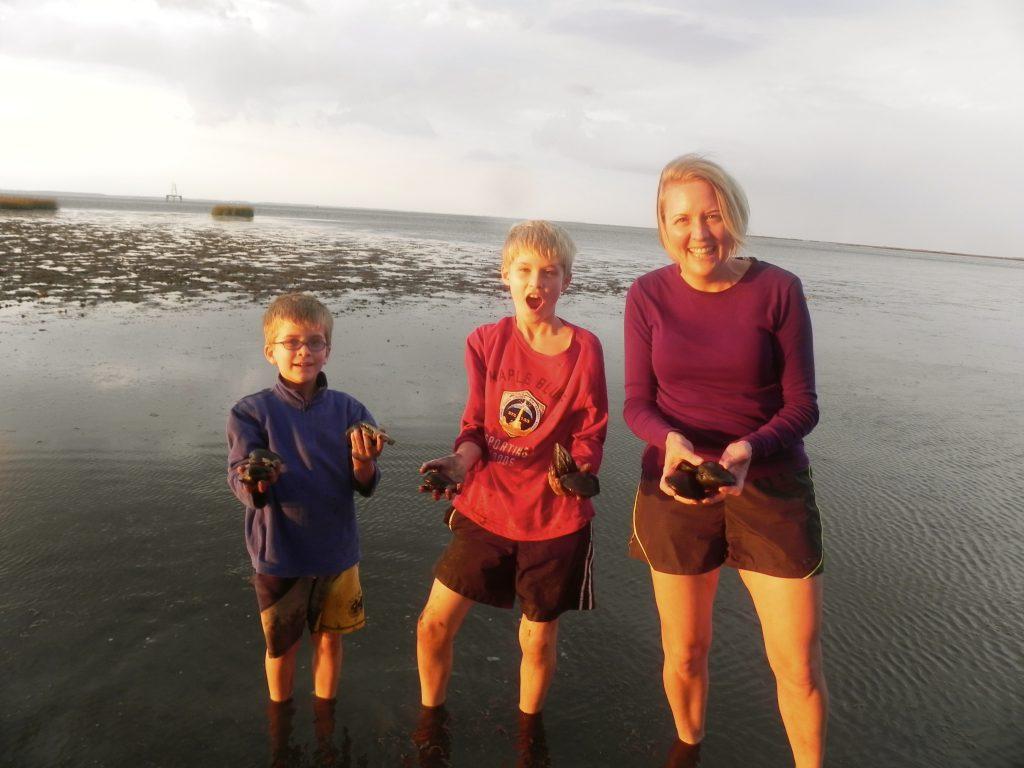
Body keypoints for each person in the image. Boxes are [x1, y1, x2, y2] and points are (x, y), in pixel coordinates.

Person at [624, 155, 827, 767]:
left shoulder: (778, 290)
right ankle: (688, 751)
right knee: (684, 652)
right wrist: (672, 443)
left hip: (769, 490)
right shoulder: (647, 295)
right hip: (675, 487)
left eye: (712, 215)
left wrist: (747, 448)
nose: (699, 232)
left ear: (733, 216)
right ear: (664, 224)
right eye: (682, 218)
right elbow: (638, 403)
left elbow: (803, 405)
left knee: (795, 666)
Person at [415, 220, 609, 728]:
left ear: (566, 281)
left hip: (554, 516)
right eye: (524, 270)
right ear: (506, 275)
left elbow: (591, 431)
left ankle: (528, 735)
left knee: (537, 637)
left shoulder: (585, 348)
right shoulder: (484, 341)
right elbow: (476, 427)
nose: (536, 284)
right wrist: (457, 464)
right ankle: (429, 724)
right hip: (486, 504)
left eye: (550, 273)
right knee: (433, 624)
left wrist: (580, 471)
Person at [227, 292, 388, 704]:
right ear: (270, 351)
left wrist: (364, 460)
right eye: (292, 342)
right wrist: (258, 479)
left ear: (328, 351)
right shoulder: (250, 412)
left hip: (337, 551)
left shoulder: (351, 410)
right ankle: (279, 721)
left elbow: (366, 483)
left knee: (331, 642)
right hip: (279, 552)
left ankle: (324, 718)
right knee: (281, 647)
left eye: (315, 341)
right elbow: (240, 477)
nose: (304, 351)